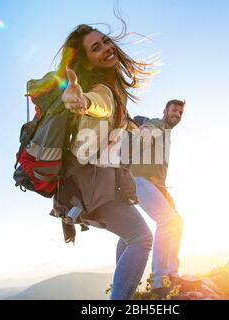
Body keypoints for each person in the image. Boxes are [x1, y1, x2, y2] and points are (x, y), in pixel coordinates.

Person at [57, 24, 154, 300]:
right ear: (87, 61)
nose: (106, 48)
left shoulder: (114, 89)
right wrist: (80, 100)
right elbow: (96, 103)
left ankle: (121, 293)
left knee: (131, 236)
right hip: (91, 184)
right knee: (142, 238)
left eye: (105, 41)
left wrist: (137, 127)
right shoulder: (102, 91)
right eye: (95, 48)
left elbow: (116, 120)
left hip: (102, 182)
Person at [121, 99, 186, 294]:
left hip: (152, 185)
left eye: (180, 112)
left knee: (176, 222)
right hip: (140, 180)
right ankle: (160, 279)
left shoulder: (167, 132)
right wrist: (146, 133)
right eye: (174, 110)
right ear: (165, 111)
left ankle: (172, 272)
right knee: (169, 221)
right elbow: (150, 127)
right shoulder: (159, 124)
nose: (177, 114)